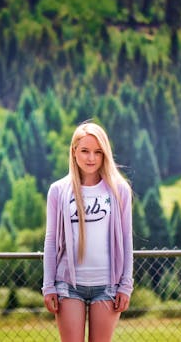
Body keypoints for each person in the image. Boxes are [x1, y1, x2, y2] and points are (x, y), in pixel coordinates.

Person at [42, 122, 133, 342]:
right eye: (85, 151)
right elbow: (51, 240)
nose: (91, 158)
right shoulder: (58, 191)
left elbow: (127, 238)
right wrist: (48, 286)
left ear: (105, 155)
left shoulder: (119, 190)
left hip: (108, 287)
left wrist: (126, 285)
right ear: (74, 152)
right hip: (68, 287)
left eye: (97, 152)